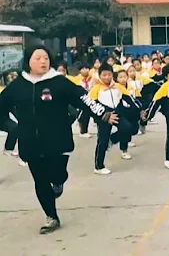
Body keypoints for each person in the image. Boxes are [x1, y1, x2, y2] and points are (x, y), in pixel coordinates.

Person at [0, 45, 117, 234]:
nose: (42, 61)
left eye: (45, 58)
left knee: (57, 174)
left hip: (58, 140)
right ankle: (51, 217)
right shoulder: (18, 85)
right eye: (37, 58)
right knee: (40, 180)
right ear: (28, 61)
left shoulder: (59, 82)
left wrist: (103, 114)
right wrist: (12, 128)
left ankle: (59, 181)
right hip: (30, 142)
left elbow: (83, 99)